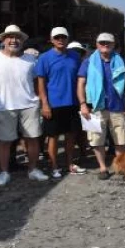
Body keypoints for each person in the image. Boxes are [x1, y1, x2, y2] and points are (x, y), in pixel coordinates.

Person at [0, 25, 49, 186]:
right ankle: (4, 173)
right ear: (4, 40)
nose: (14, 40)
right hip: (5, 107)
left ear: (23, 41)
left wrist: (40, 100)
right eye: (10, 37)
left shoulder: (31, 60)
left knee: (32, 139)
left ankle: (33, 170)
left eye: (18, 37)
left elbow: (36, 82)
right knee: (4, 141)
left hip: (29, 105)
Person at [77, 32, 125, 180]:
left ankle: (120, 166)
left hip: (117, 105)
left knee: (121, 139)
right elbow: (81, 84)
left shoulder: (120, 61)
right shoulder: (89, 61)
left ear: (114, 44)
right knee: (96, 139)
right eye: (102, 42)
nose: (105, 45)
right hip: (95, 106)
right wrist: (83, 104)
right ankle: (103, 168)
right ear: (96, 44)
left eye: (108, 42)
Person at [36, 27, 85, 178]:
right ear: (51, 40)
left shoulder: (75, 56)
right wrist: (44, 103)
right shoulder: (44, 58)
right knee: (53, 137)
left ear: (67, 39)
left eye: (63, 37)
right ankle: (54, 166)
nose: (60, 40)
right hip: (54, 104)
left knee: (71, 135)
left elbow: (80, 79)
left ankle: (70, 164)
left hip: (72, 103)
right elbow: (41, 82)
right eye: (57, 37)